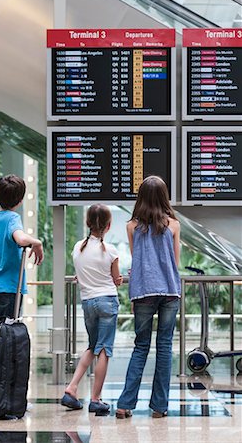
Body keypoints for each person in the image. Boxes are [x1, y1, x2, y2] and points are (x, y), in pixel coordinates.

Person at [116, 175, 181, 419]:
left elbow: (138, 259)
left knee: (140, 347)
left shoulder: (132, 226)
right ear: (164, 196)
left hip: (143, 291)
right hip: (169, 290)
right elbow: (175, 262)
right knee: (164, 347)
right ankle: (159, 407)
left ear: (141, 197)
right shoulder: (173, 225)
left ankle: (124, 404)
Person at [61, 204, 123, 413]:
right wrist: (119, 279)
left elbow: (82, 274)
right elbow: (115, 279)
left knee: (92, 346)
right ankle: (95, 399)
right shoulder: (111, 251)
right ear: (108, 225)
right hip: (107, 300)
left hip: (87, 302)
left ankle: (72, 387)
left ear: (88, 223)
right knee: (104, 349)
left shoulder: (78, 248)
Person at [0, 174, 44, 321]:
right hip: (9, 287)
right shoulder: (12, 218)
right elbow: (20, 238)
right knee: (8, 334)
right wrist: (37, 242)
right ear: (20, 200)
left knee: (0, 331)